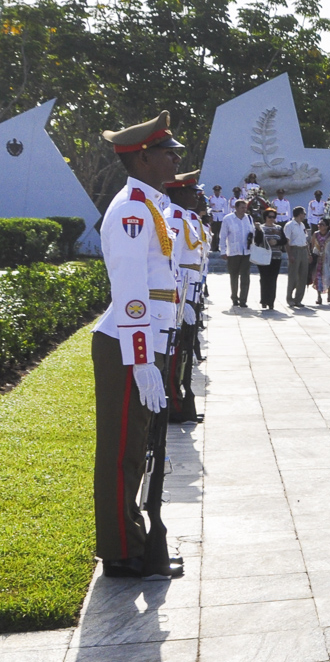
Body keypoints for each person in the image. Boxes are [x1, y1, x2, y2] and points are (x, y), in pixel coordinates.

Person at [92, 110, 184, 579]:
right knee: (122, 450)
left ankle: (134, 540)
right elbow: (130, 291)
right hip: (129, 345)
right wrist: (142, 359)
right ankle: (123, 551)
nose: (175, 160)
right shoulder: (132, 207)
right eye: (168, 153)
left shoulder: (148, 204)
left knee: (137, 445)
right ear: (144, 157)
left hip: (144, 341)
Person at [163, 170, 206, 424]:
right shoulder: (175, 220)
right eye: (192, 191)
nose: (197, 196)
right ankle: (176, 405)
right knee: (178, 354)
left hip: (190, 292)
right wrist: (182, 300)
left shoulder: (183, 219)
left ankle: (182, 402)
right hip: (182, 295)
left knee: (185, 353)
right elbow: (174, 264)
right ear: (179, 192)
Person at [218, 199, 255, 307]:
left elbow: (252, 233)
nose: (244, 209)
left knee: (245, 276)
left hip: (246, 251)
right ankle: (234, 297)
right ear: (236, 208)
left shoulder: (249, 218)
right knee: (234, 276)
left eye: (245, 207)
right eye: (242, 207)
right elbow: (223, 236)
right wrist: (223, 251)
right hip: (233, 252)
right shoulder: (228, 219)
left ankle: (243, 300)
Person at [255, 208, 286, 310]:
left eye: (273, 217)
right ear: (265, 217)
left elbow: (284, 240)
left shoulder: (278, 228)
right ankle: (264, 300)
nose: (271, 219)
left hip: (275, 257)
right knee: (264, 278)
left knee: (273, 279)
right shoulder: (261, 228)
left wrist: (276, 242)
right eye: (269, 217)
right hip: (263, 256)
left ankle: (271, 301)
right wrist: (259, 230)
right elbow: (257, 240)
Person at [284, 205, 309, 308]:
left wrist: (309, 253)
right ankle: (290, 298)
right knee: (293, 276)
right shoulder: (289, 225)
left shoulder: (302, 225)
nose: (304, 215)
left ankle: (298, 299)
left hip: (303, 250)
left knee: (303, 276)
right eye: (304, 213)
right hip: (294, 250)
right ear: (299, 214)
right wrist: (290, 255)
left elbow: (305, 240)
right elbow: (287, 241)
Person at [311, 218, 330, 305]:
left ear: (326, 226)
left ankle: (329, 293)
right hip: (319, 258)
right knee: (318, 277)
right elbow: (312, 245)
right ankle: (319, 297)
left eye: (322, 224)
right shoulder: (316, 234)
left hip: (328, 259)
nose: (319, 226)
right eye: (319, 224)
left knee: (329, 276)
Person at [208, 185, 228, 252]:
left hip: (220, 216)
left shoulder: (223, 199)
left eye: (218, 191)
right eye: (216, 191)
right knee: (213, 232)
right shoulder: (211, 198)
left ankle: (220, 247)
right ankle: (213, 247)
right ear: (214, 191)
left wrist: (225, 217)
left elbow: (225, 208)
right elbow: (209, 207)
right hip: (214, 215)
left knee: (220, 233)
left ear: (220, 192)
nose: (217, 192)